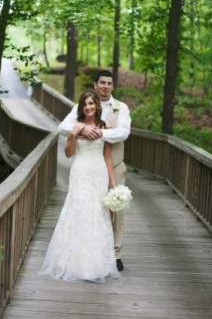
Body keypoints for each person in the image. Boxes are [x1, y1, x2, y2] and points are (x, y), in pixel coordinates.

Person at [39, 90, 120, 283]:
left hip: (98, 173)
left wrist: (113, 184)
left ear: (97, 106)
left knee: (97, 213)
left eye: (92, 104)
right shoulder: (75, 126)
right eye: (85, 104)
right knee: (79, 210)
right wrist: (74, 134)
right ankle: (72, 263)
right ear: (81, 107)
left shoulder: (104, 127)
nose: (89, 107)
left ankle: (96, 264)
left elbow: (107, 156)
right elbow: (68, 154)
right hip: (80, 172)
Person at [58, 69, 131, 272]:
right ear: (95, 84)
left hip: (112, 165)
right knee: (88, 207)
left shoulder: (121, 108)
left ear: (112, 86)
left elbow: (124, 132)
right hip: (85, 167)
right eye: (102, 83)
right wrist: (81, 128)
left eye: (109, 83)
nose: (105, 86)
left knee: (116, 211)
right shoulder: (84, 104)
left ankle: (115, 254)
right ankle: (82, 253)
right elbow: (63, 125)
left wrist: (100, 132)